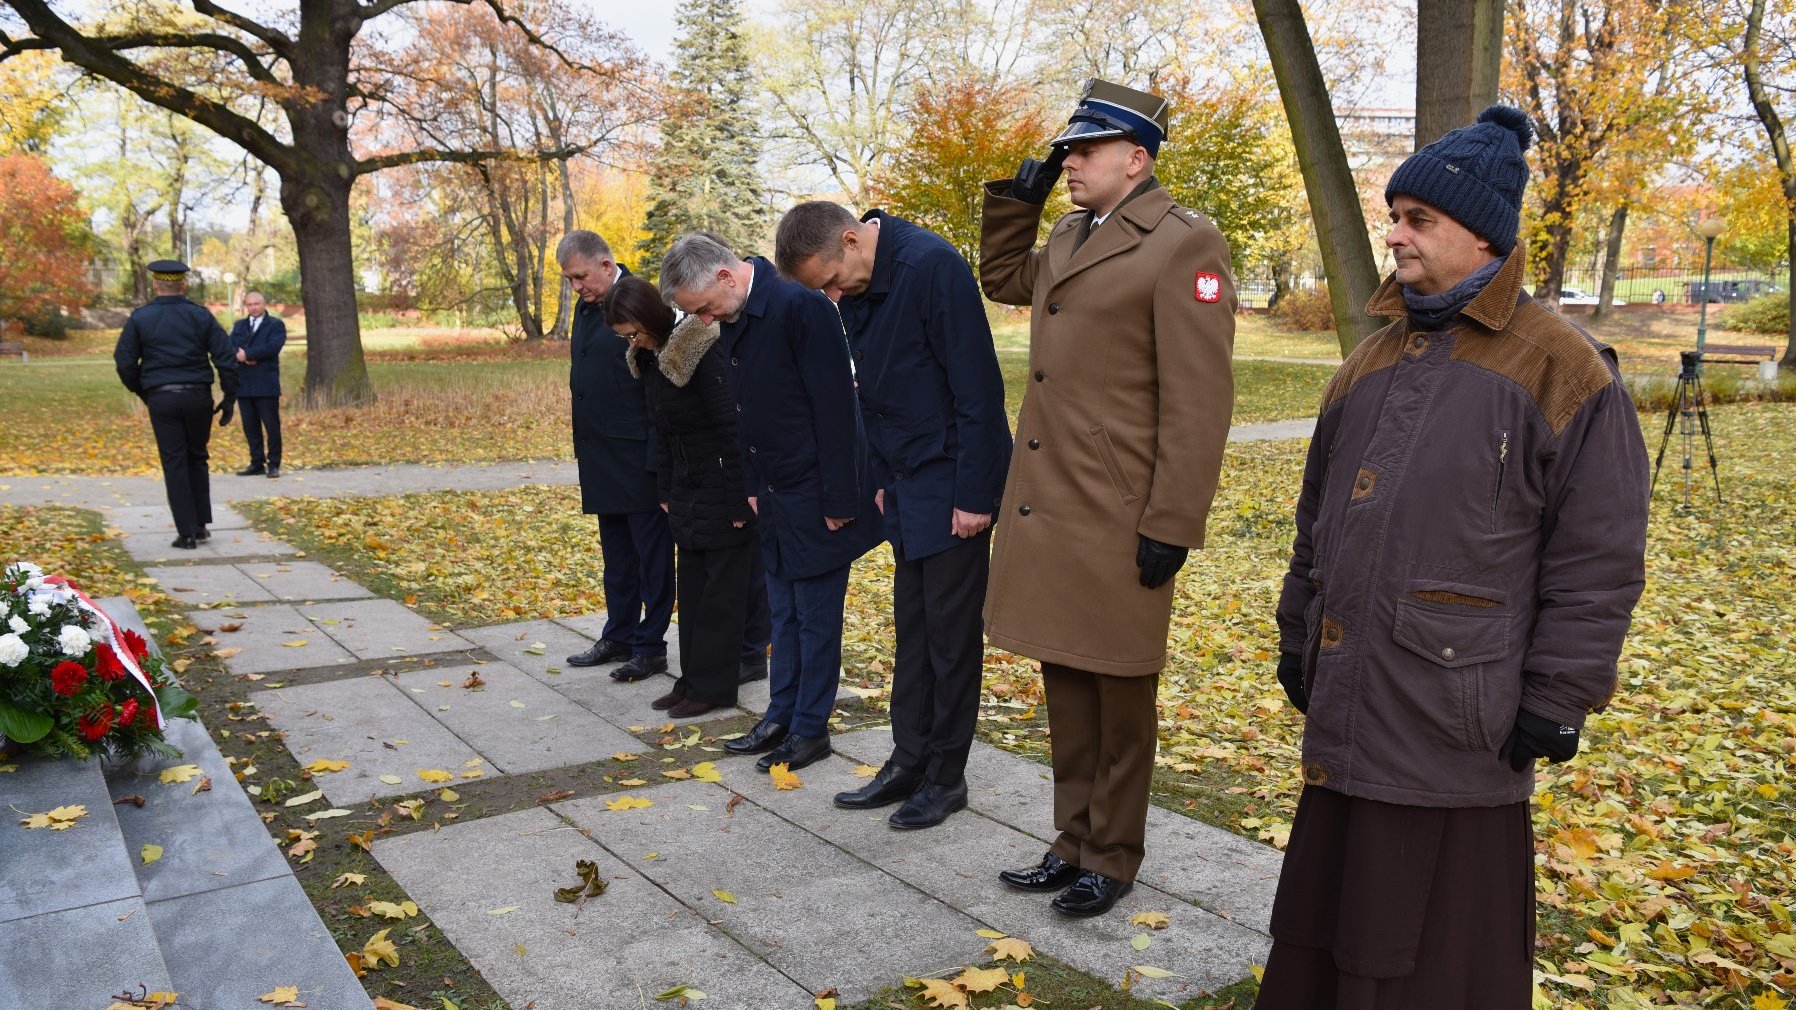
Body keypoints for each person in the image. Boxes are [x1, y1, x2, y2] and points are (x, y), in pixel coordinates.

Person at [1256, 106, 1650, 1008]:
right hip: (1356, 693)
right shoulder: (1369, 362)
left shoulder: (1566, 368)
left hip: (1459, 708)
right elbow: (1316, 519)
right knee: (1329, 924)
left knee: (1433, 947)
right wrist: (1297, 631)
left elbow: (1599, 556)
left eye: (1416, 219)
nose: (1393, 234)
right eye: (1393, 215)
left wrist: (1558, 695)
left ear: (1482, 234)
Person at [978, 79, 1236, 918]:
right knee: (1067, 685)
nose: (1069, 163)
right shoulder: (1070, 230)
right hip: (1057, 502)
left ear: (1137, 158)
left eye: (1083, 151)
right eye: (1067, 151)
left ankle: (1114, 854)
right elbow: (1007, 279)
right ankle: (1071, 840)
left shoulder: (1183, 244)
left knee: (1121, 694)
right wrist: (1018, 202)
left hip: (1123, 510)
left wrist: (1173, 521)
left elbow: (1201, 401)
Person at [774, 201, 1012, 830]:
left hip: (952, 481)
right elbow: (872, 395)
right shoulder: (856, 282)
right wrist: (879, 479)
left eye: (829, 280)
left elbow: (979, 388)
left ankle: (946, 776)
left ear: (851, 241)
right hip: (902, 483)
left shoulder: (933, 267)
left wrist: (976, 496)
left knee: (950, 639)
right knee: (914, 631)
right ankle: (908, 760)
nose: (829, 295)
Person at [660, 232, 883, 773]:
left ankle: (811, 728)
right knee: (782, 614)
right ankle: (779, 715)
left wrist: (840, 498)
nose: (705, 322)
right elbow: (745, 414)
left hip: (817, 491)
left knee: (816, 618)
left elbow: (836, 411)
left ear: (725, 277)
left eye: (705, 309)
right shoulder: (735, 314)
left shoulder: (800, 305)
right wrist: (753, 488)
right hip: (775, 493)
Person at [605, 276, 759, 719]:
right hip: (689, 490)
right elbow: (664, 430)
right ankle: (691, 680)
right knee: (692, 592)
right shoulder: (655, 359)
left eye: (634, 333)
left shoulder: (700, 351)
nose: (633, 343)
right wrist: (666, 490)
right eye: (625, 337)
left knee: (720, 597)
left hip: (722, 486)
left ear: (651, 317)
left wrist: (737, 501)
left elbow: (731, 430)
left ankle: (715, 687)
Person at [557, 230, 674, 684]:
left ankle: (651, 646)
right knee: (618, 559)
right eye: (570, 280)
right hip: (601, 458)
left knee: (653, 561)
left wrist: (657, 460)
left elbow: (657, 392)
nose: (577, 287)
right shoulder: (588, 307)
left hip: (639, 461)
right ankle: (619, 634)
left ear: (606, 265)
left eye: (581, 277)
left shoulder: (639, 302)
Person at [114, 259, 240, 550]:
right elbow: (226, 358)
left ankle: (186, 532)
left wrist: (146, 392)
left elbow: (124, 363)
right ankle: (200, 525)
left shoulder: (140, 318)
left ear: (156, 285)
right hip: (198, 395)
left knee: (174, 462)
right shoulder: (201, 316)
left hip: (162, 395)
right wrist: (230, 397)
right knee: (197, 456)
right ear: (183, 285)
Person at [229, 291, 287, 478]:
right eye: (250, 304)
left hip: (265, 383)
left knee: (271, 426)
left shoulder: (275, 325)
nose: (253, 307)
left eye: (257, 303)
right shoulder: (239, 325)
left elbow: (273, 346)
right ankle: (256, 462)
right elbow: (230, 346)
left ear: (264, 304)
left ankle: (274, 464)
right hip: (244, 383)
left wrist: (249, 355)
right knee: (250, 426)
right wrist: (241, 357)